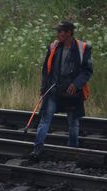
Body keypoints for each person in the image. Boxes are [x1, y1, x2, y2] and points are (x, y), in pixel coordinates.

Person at [30, 21, 93, 159]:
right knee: (45, 120)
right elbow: (46, 71)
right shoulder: (53, 47)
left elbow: (87, 71)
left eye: (61, 32)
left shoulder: (83, 48)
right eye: (57, 32)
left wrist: (76, 84)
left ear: (69, 32)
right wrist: (43, 89)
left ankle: (72, 152)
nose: (58, 34)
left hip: (72, 92)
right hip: (53, 90)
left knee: (73, 123)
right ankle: (37, 149)